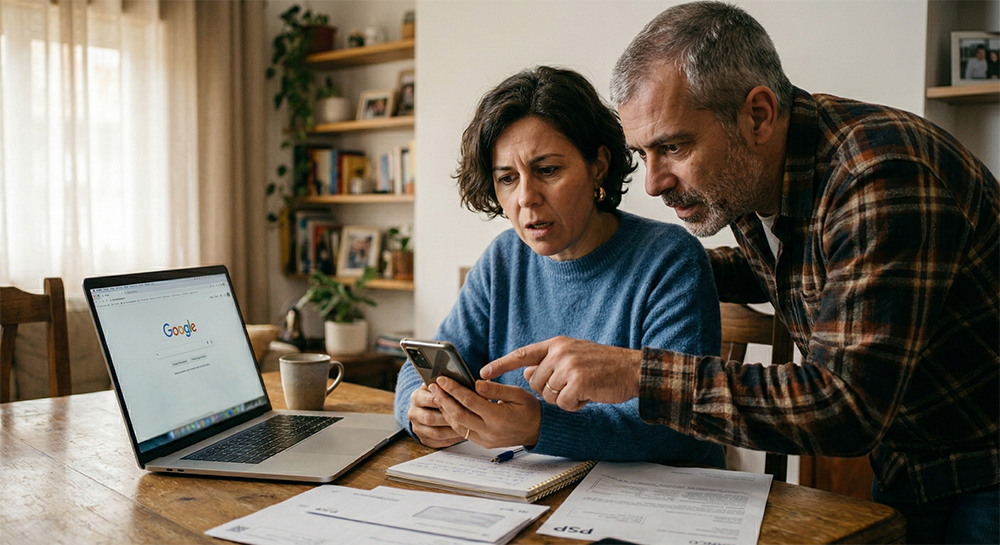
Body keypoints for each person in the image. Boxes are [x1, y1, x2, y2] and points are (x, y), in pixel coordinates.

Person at [482, 3, 1000, 544]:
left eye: (674, 147)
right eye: (643, 152)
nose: (654, 183)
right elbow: (810, 268)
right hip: (913, 460)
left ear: (757, 114)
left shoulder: (881, 178)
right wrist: (638, 266)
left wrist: (638, 373)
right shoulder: (757, 178)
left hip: (985, 461)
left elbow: (842, 406)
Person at [394, 66, 724, 466]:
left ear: (597, 165)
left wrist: (539, 427)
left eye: (547, 170)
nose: (526, 198)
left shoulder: (670, 259)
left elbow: (682, 431)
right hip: (526, 492)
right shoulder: (503, 259)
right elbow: (427, 364)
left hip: (656, 504)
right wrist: (419, 409)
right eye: (507, 179)